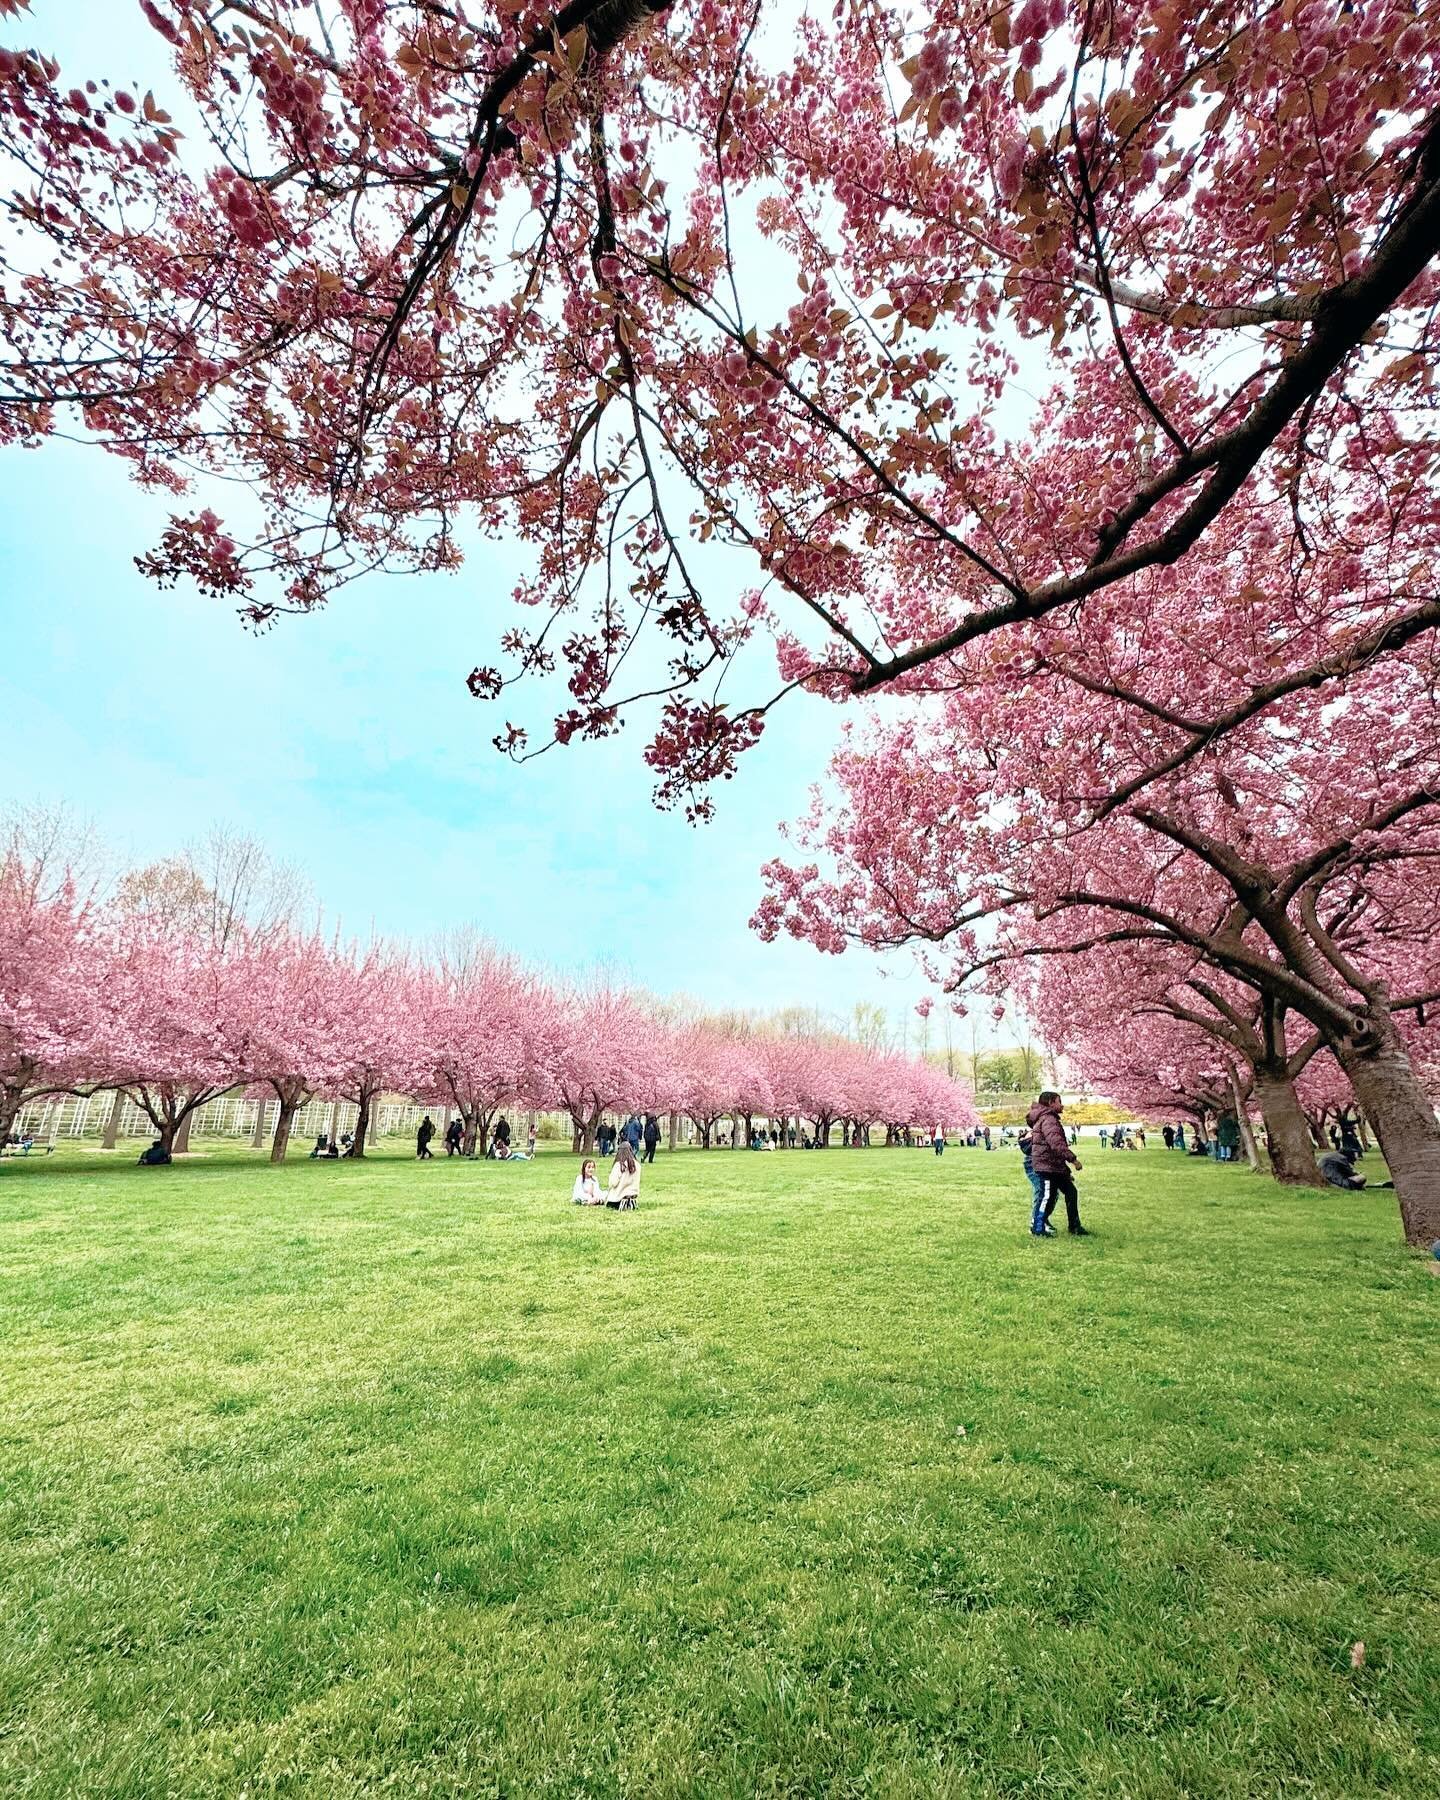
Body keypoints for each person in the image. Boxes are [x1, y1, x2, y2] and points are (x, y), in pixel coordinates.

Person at [1027, 1090, 1089, 1236]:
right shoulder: (1048, 1119)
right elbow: (1056, 1143)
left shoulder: (1047, 1118)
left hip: (1054, 1165)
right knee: (1046, 1197)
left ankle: (1074, 1226)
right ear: (1050, 1103)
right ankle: (1037, 1228)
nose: (1062, 1105)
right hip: (1046, 1166)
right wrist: (1073, 1159)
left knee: (1070, 1192)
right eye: (1059, 1101)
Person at [1018, 1124, 1047, 1235]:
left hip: (1034, 1163)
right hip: (1035, 1163)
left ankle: (1041, 1220)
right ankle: (1037, 1222)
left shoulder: (1035, 1131)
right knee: (1041, 1192)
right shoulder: (1038, 1131)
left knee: (1042, 1192)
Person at [606, 1140, 641, 1210]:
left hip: (617, 1199)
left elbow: (613, 1183)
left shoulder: (619, 1165)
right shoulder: (637, 1165)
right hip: (632, 1199)